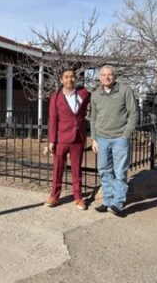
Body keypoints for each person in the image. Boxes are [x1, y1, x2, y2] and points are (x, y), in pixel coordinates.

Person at [91, 65, 138, 217]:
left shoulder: (125, 90)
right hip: (102, 138)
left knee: (120, 172)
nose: (107, 77)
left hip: (119, 138)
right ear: (99, 77)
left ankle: (118, 203)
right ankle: (107, 201)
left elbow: (134, 113)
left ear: (115, 76)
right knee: (104, 170)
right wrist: (94, 138)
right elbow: (93, 117)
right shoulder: (96, 94)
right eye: (104, 75)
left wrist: (126, 134)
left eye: (110, 74)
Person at [45, 68, 91, 210]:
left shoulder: (84, 93)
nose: (69, 79)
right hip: (61, 138)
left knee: (77, 170)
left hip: (78, 137)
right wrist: (52, 140)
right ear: (61, 80)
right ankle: (54, 196)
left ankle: (78, 197)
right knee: (57, 169)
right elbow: (53, 119)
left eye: (72, 77)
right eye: (66, 77)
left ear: (75, 79)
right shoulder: (56, 96)